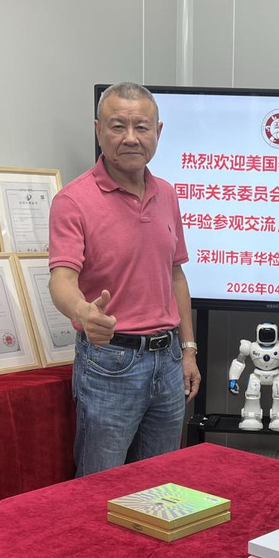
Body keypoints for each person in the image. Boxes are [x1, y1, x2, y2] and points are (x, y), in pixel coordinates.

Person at [48, 82, 201, 476]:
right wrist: (83, 312)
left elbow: (176, 275)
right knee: (100, 483)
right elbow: (61, 279)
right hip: (110, 362)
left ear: (158, 132)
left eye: (141, 127)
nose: (131, 138)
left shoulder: (167, 194)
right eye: (118, 126)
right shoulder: (73, 200)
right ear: (99, 131)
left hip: (169, 360)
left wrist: (188, 350)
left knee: (159, 485)